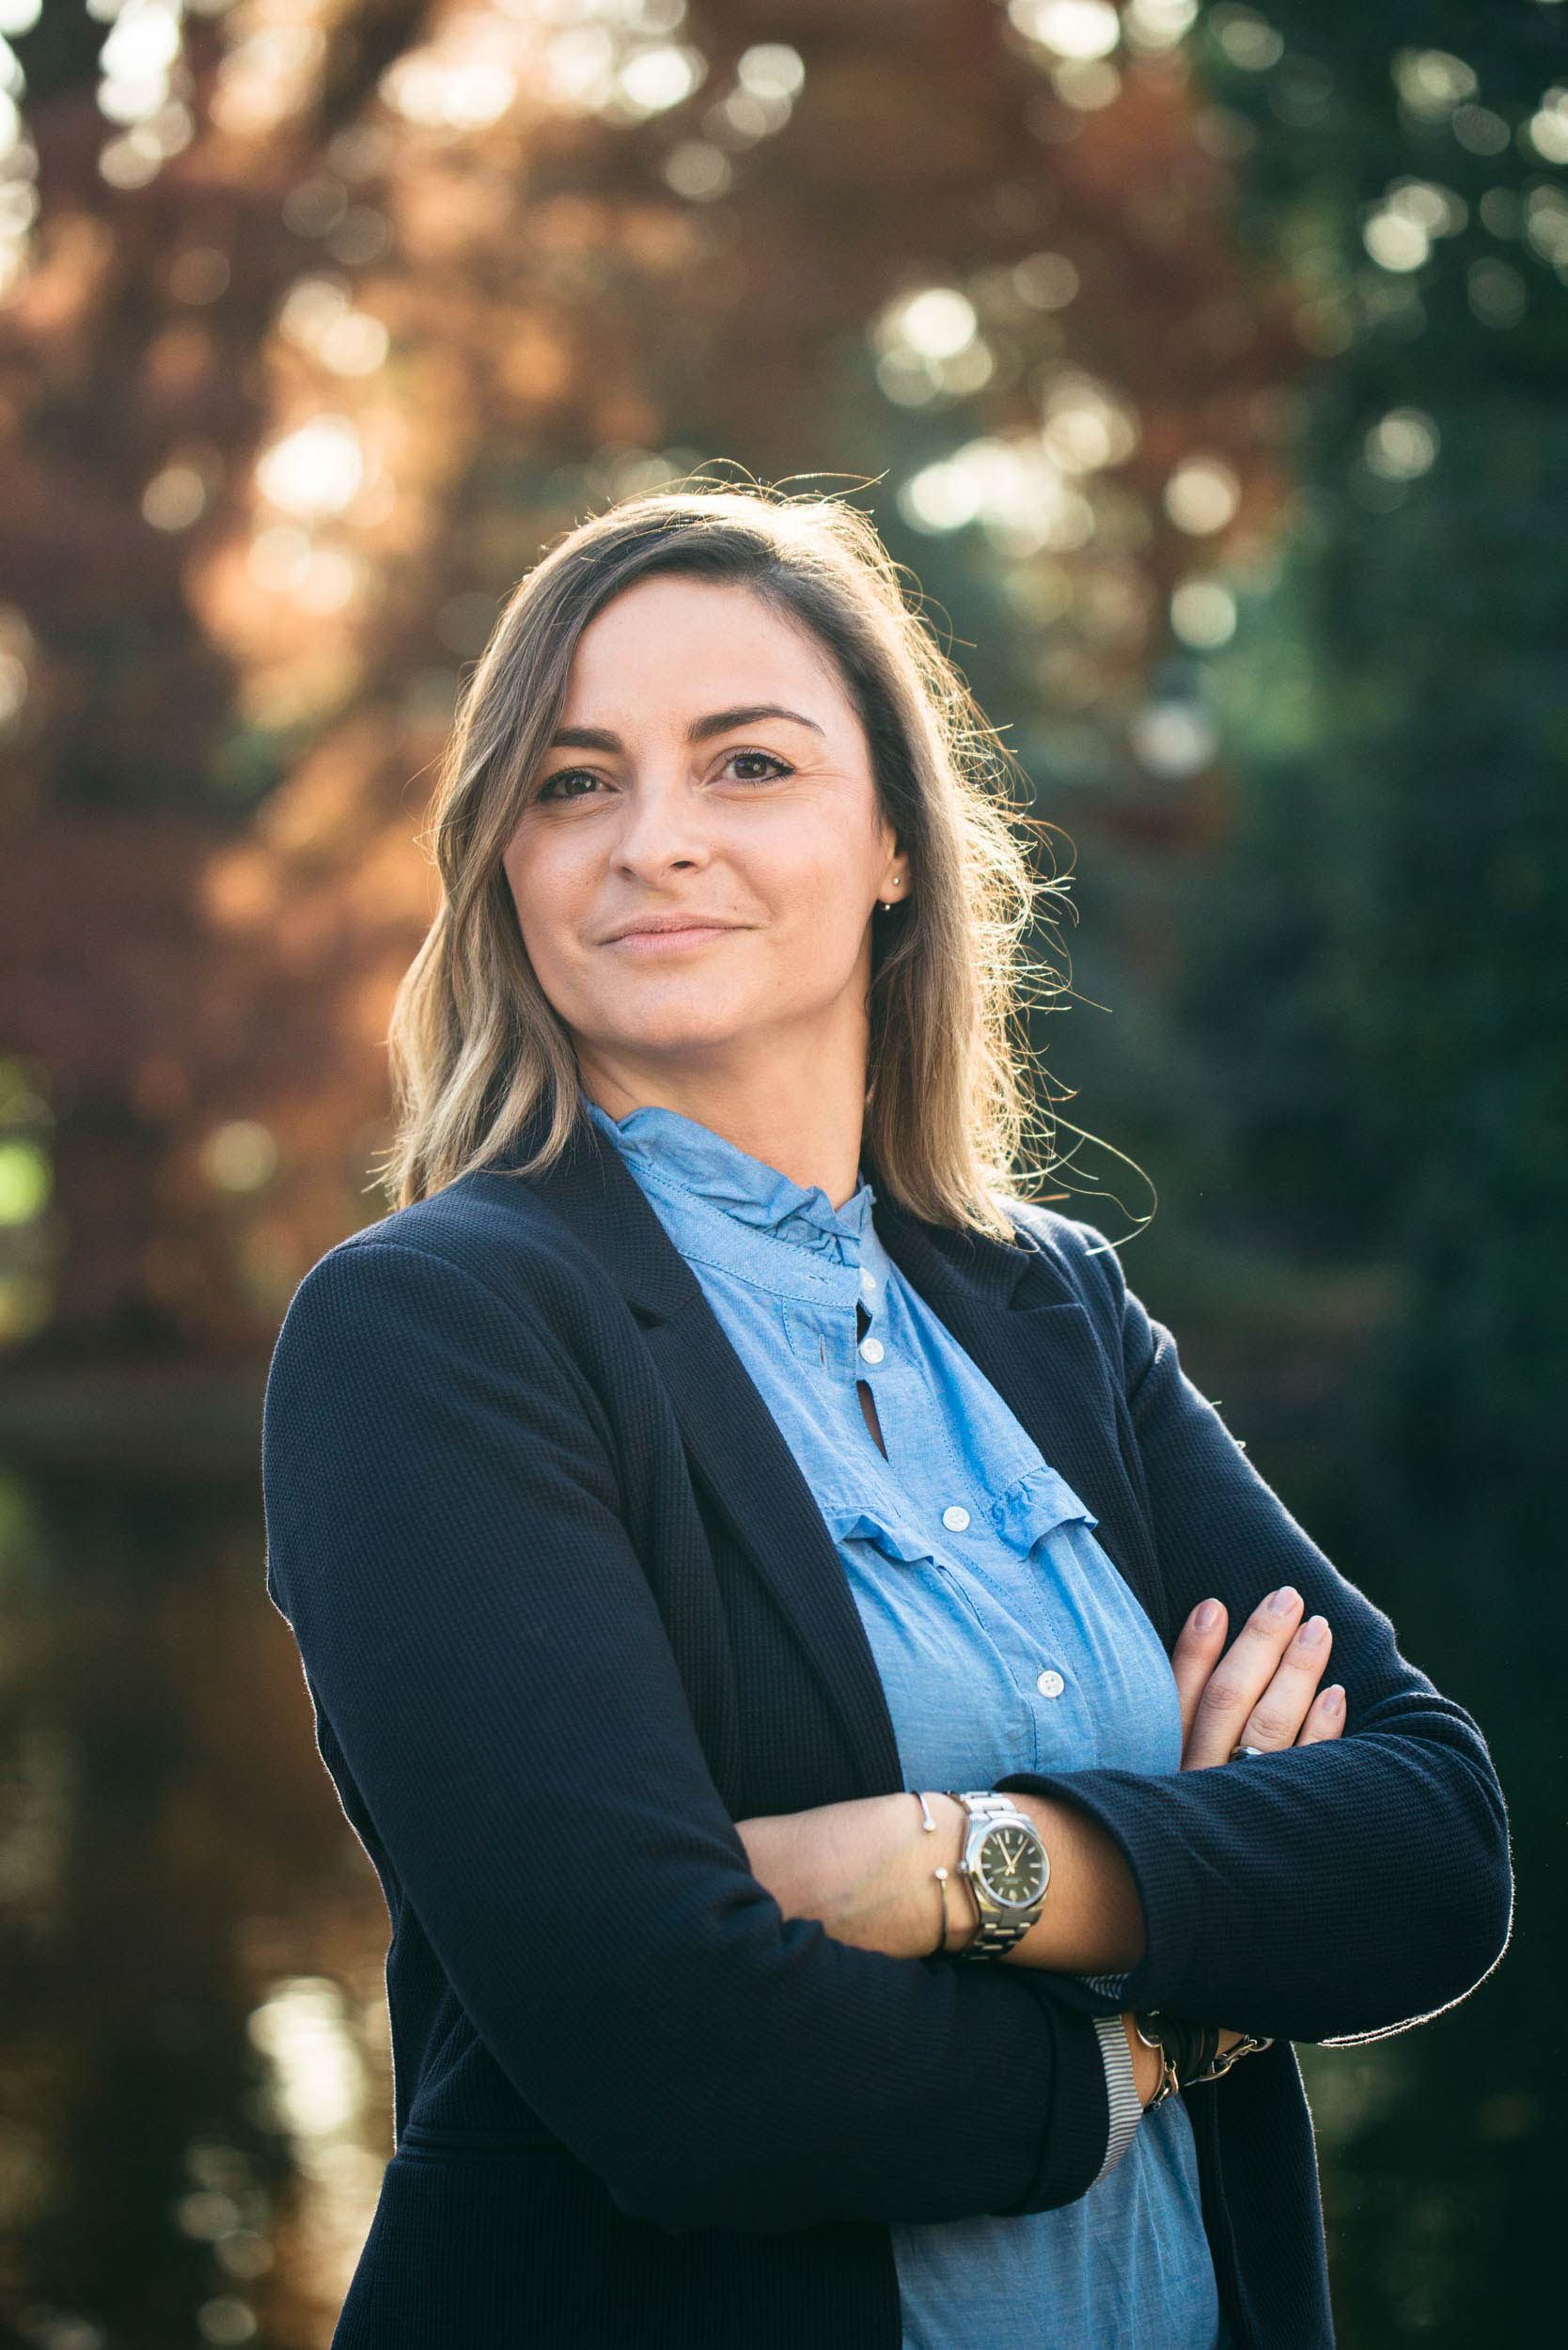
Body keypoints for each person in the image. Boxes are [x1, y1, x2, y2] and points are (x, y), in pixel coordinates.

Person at [259, 487, 1513, 2350]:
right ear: (503, 862)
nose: (652, 841)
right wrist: (1166, 2004)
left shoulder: (1051, 1303)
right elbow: (677, 2053)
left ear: (898, 844)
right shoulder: (434, 1327)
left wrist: (953, 1862)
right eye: (574, 780)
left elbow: (1431, 1845)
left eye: (747, 763)